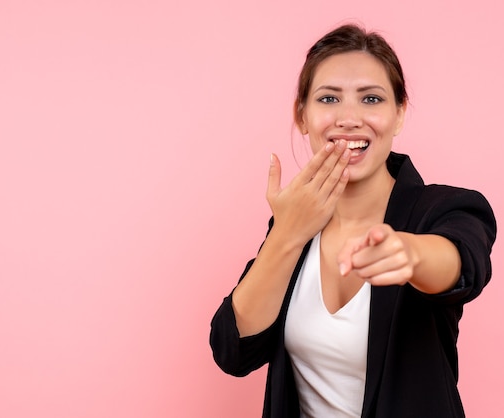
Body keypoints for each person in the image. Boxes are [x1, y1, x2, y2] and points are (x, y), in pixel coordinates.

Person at [209, 24, 497, 418]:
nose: (348, 118)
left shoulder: (445, 208)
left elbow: (462, 263)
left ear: (398, 115)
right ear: (303, 116)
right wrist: (287, 236)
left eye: (371, 99)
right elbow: (233, 350)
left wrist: (410, 253)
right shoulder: (295, 223)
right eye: (328, 98)